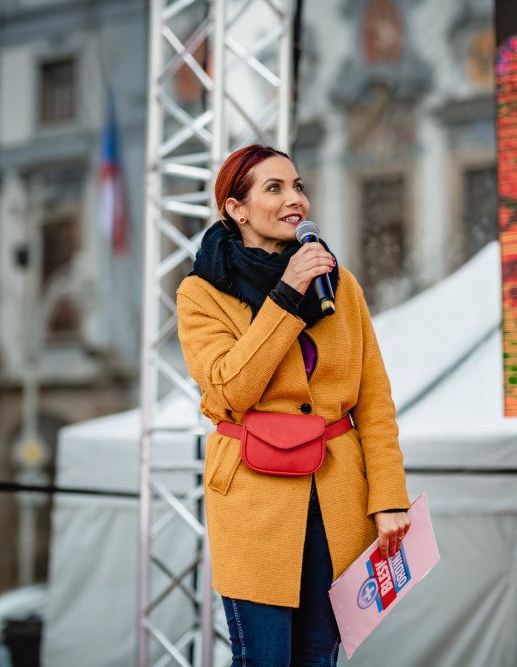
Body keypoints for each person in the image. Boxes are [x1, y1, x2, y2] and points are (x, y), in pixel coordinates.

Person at [176, 144, 411, 666]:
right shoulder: (200, 294)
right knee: (263, 659)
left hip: (336, 497)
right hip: (252, 499)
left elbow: (374, 400)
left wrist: (389, 496)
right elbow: (229, 392)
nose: (294, 200)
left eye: (298, 187)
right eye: (274, 188)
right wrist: (287, 294)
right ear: (236, 210)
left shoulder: (340, 283)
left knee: (317, 659)